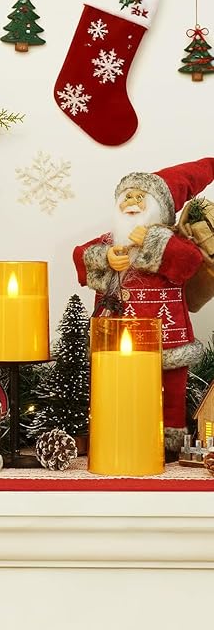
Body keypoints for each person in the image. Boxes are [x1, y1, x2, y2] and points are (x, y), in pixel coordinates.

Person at [73, 158, 214, 457]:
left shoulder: (174, 241)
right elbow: (81, 255)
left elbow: (190, 263)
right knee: (114, 389)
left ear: (159, 208)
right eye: (127, 196)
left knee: (170, 389)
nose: (132, 202)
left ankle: (169, 439)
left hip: (167, 335)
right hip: (116, 335)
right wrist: (105, 257)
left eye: (141, 197)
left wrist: (155, 241)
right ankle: (113, 433)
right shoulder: (110, 241)